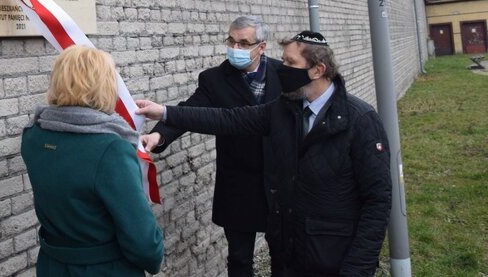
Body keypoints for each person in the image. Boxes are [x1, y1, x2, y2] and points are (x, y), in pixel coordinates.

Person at [136, 31, 392, 276]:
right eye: (282, 60)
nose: (282, 68)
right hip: (291, 256)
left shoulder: (360, 120)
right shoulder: (285, 109)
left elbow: (377, 201)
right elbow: (228, 119)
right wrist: (164, 112)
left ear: (318, 70)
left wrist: (358, 269)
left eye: (290, 62)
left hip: (334, 258)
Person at [140, 15, 283, 277]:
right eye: (231, 41)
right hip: (239, 181)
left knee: (284, 254)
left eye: (243, 43)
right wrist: (158, 136)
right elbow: (190, 110)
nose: (235, 48)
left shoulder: (284, 74)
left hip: (281, 180)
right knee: (240, 258)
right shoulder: (214, 79)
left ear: (261, 47)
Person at [21, 45, 164, 276]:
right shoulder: (110, 149)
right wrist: (154, 254)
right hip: (104, 268)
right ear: (104, 84)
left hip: (51, 265)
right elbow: (142, 238)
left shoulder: (33, 136)